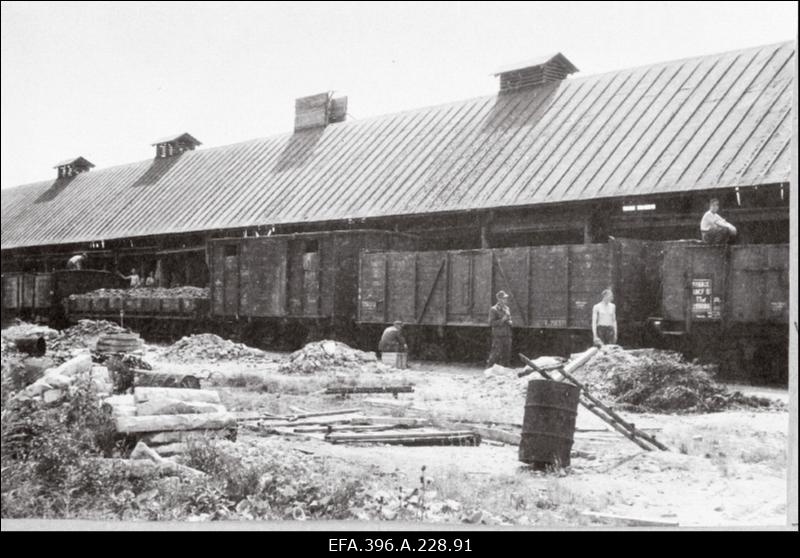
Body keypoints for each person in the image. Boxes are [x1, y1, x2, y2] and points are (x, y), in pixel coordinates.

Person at [487, 291, 513, 367]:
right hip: (498, 336)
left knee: (506, 355)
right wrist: (503, 320)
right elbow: (491, 323)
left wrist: (510, 321)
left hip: (507, 335)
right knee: (495, 355)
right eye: (504, 298)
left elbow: (508, 319)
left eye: (506, 298)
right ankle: (489, 369)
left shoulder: (507, 308)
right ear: (499, 299)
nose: (506, 300)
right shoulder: (494, 309)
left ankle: (505, 371)